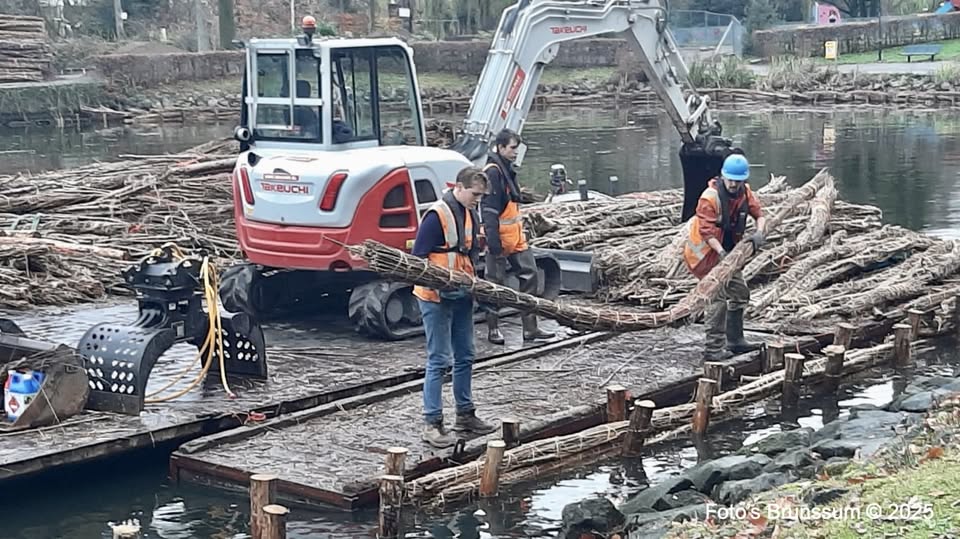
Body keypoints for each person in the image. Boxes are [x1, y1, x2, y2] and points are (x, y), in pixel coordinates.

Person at [412, 166, 497, 448]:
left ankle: (465, 415)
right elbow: (418, 259)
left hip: (462, 293)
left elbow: (470, 255)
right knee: (439, 359)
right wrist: (440, 283)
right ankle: (432, 423)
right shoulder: (436, 216)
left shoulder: (471, 213)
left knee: (466, 355)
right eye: (475, 194)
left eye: (481, 196)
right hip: (435, 296)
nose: (478, 200)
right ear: (459, 188)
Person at [682, 153, 767, 362]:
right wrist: (721, 253)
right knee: (717, 299)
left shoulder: (745, 193)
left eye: (738, 181)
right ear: (723, 176)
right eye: (730, 180)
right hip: (704, 255)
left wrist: (759, 232)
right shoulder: (709, 198)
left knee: (740, 293)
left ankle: (735, 340)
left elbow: (759, 214)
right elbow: (707, 233)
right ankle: (713, 348)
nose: (734, 184)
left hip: (726, 253)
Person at [480, 128, 555, 345]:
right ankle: (493, 330)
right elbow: (489, 211)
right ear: (500, 147)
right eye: (513, 148)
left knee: (530, 276)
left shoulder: (506, 170)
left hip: (515, 237)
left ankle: (530, 328)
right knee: (494, 285)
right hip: (499, 239)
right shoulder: (493, 173)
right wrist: (493, 244)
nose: (515, 152)